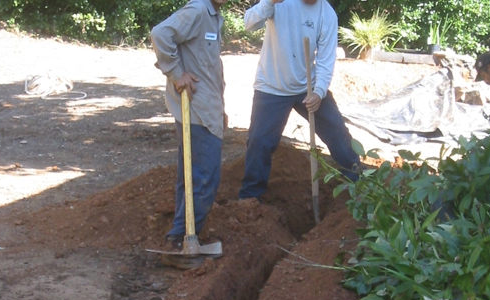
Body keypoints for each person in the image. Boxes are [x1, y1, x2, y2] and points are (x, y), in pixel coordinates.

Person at [238, 0, 362, 201]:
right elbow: (249, 24)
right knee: (259, 142)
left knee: (338, 133)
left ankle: (358, 186)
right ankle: (250, 198)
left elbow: (325, 60)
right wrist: (268, 3)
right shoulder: (280, 3)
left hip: (308, 87)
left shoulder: (326, 14)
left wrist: (319, 92)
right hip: (272, 86)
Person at [150, 0, 227, 249]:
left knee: (191, 175)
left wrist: (220, 107)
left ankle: (179, 235)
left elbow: (209, 66)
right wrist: (175, 72)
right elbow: (160, 34)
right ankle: (182, 237)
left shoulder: (214, 15)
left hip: (207, 108)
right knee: (206, 178)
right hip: (197, 110)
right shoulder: (197, 11)